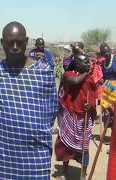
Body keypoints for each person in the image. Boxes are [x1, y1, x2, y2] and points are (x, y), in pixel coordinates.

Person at [0, 21, 58, 179]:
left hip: (35, 154)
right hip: (1, 154)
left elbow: (50, 113)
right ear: (2, 43)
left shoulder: (43, 73)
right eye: (9, 42)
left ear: (26, 42)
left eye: (19, 43)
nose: (14, 47)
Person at [55, 53, 98, 180]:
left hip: (84, 117)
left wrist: (90, 106)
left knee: (84, 147)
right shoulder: (68, 75)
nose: (88, 64)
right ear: (77, 64)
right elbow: (73, 82)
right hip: (70, 115)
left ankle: (83, 175)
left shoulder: (90, 79)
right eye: (85, 62)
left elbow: (93, 96)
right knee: (65, 145)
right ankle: (64, 171)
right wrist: (86, 73)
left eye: (88, 62)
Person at [99, 43, 116, 180]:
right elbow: (102, 77)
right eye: (103, 52)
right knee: (107, 118)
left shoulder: (115, 59)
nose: (106, 53)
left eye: (107, 51)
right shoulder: (103, 63)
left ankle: (113, 144)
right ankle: (111, 140)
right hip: (107, 91)